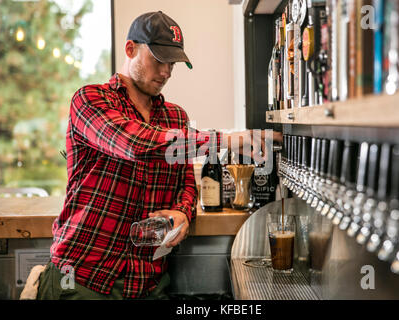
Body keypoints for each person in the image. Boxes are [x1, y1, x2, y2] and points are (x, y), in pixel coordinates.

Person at [37, 11, 281, 300]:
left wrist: (183, 211)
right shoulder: (90, 99)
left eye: (172, 64)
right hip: (83, 277)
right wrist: (224, 139)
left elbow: (186, 183)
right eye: (158, 60)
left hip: (147, 282)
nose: (166, 72)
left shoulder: (175, 116)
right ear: (130, 49)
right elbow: (135, 144)